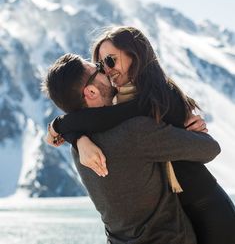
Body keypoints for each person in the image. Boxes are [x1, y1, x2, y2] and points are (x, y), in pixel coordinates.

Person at [47, 26, 235, 244]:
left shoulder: (157, 99)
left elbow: (112, 119)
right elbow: (109, 120)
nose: (106, 71)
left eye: (109, 61)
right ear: (90, 92)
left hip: (205, 208)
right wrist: (70, 131)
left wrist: (64, 127)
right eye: (99, 65)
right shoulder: (122, 118)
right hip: (180, 223)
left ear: (134, 56)